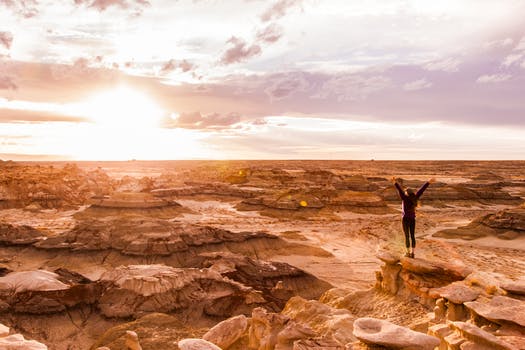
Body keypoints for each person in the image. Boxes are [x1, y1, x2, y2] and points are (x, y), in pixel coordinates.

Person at [391, 177, 435, 258]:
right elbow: (422, 190)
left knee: (407, 236)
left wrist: (395, 183)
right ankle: (413, 253)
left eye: (405, 192)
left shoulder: (404, 198)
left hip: (405, 219)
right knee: (412, 236)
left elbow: (399, 190)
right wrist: (428, 182)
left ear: (406, 193)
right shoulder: (415, 197)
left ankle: (407, 253)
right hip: (412, 219)